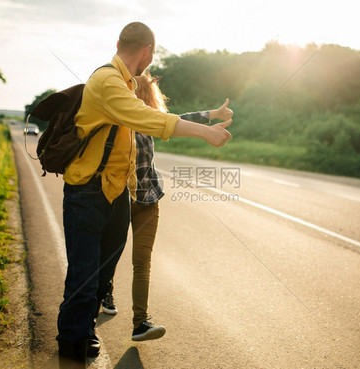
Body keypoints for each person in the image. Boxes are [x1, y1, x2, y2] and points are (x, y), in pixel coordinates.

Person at [56, 22, 232, 367]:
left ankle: (85, 330)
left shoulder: (126, 82)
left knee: (102, 274)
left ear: (120, 42)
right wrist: (205, 132)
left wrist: (207, 117)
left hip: (116, 194)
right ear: (147, 51)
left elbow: (152, 120)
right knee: (84, 274)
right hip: (87, 192)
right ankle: (69, 348)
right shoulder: (108, 80)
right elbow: (146, 118)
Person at [101, 74, 233, 343]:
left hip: (148, 201)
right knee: (109, 256)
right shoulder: (115, 117)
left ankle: (140, 323)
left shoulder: (151, 119)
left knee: (141, 261)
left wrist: (213, 114)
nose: (141, 95)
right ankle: (103, 293)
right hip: (119, 200)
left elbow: (179, 119)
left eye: (144, 91)